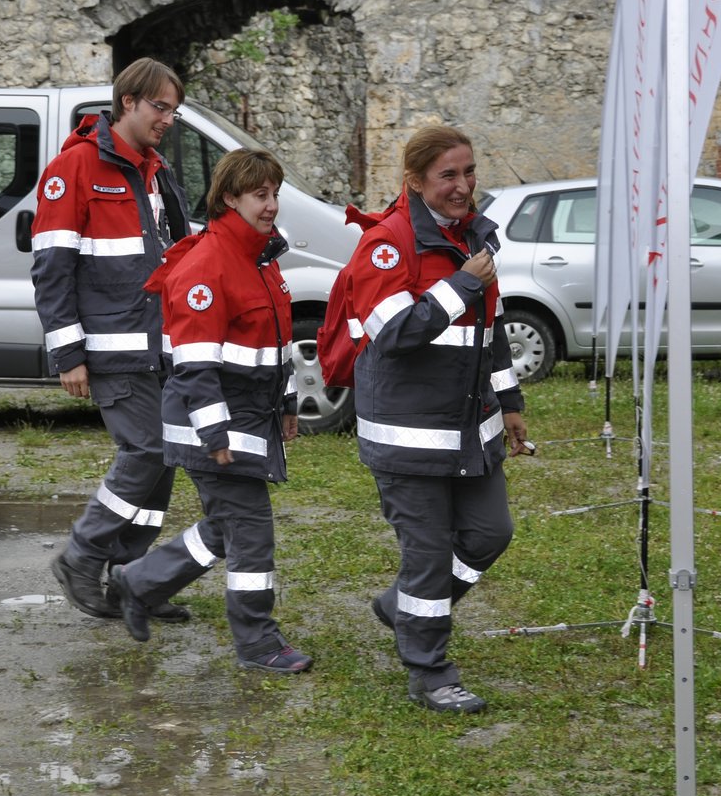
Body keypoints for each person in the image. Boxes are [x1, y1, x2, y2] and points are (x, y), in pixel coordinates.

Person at [337, 125, 528, 713]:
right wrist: (462, 283)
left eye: (469, 172)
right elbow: (394, 334)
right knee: (427, 554)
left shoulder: (474, 237)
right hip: (409, 437)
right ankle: (429, 671)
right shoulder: (387, 244)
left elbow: (489, 338)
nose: (464, 186)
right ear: (415, 181)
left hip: (472, 431)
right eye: (448, 175)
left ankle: (404, 608)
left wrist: (512, 403)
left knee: (490, 533)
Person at [112, 150, 311, 673]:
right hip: (216, 426)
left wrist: (288, 403)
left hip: (246, 420)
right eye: (259, 195)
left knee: (226, 528)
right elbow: (194, 366)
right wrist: (214, 433)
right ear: (229, 198)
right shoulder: (207, 265)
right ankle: (258, 642)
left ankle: (137, 582)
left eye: (274, 194)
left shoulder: (259, 258)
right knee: (250, 533)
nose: (271, 206)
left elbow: (275, 343)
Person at [31, 58, 195, 623]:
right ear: (128, 101)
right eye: (160, 107)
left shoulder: (152, 170)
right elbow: (51, 268)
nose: (168, 120)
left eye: (173, 110)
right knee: (147, 451)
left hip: (157, 343)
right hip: (111, 346)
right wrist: (68, 354)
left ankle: (131, 580)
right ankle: (80, 555)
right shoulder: (74, 168)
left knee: (163, 459)